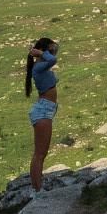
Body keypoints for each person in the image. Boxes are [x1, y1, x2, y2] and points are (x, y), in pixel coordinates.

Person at [26, 36, 60, 191]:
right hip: (43, 111)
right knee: (39, 154)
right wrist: (39, 52)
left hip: (47, 109)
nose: (53, 51)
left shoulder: (43, 65)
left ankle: (38, 185)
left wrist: (41, 51)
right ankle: (36, 189)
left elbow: (54, 55)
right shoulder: (38, 67)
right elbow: (53, 60)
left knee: (42, 153)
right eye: (50, 49)